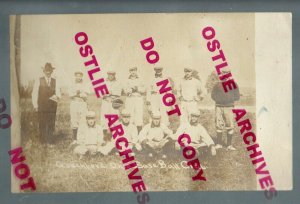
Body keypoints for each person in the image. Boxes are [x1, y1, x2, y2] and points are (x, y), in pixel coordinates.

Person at [32, 62, 61, 144]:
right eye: (46, 70)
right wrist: (35, 105)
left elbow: (58, 93)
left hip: (52, 105)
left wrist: (54, 98)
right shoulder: (39, 80)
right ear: (44, 71)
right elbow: (34, 93)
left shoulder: (55, 81)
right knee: (42, 121)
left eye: (49, 70)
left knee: (51, 121)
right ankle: (43, 140)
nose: (48, 72)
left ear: (52, 71)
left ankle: (50, 140)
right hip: (42, 105)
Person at [211, 69, 240, 151]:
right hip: (219, 107)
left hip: (229, 107)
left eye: (226, 74)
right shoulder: (217, 85)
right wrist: (219, 100)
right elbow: (213, 95)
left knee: (230, 125)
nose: (224, 75)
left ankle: (229, 145)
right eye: (222, 74)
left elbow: (237, 96)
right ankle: (219, 144)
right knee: (219, 125)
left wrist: (228, 99)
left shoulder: (233, 84)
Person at [124, 67, 146, 132]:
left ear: (136, 71)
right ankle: (130, 132)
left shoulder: (140, 79)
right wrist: (131, 90)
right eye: (131, 70)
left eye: (134, 70)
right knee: (129, 114)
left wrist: (138, 89)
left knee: (138, 115)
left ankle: (139, 133)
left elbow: (144, 89)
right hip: (130, 98)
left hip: (138, 98)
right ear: (129, 72)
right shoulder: (127, 80)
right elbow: (125, 90)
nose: (133, 72)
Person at [68, 71, 89, 140]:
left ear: (82, 76)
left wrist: (78, 94)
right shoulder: (71, 84)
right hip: (74, 102)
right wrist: (77, 93)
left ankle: (82, 138)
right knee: (74, 120)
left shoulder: (85, 84)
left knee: (82, 120)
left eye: (80, 76)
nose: (78, 77)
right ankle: (75, 139)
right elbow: (70, 94)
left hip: (82, 103)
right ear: (75, 76)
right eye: (77, 76)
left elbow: (86, 95)